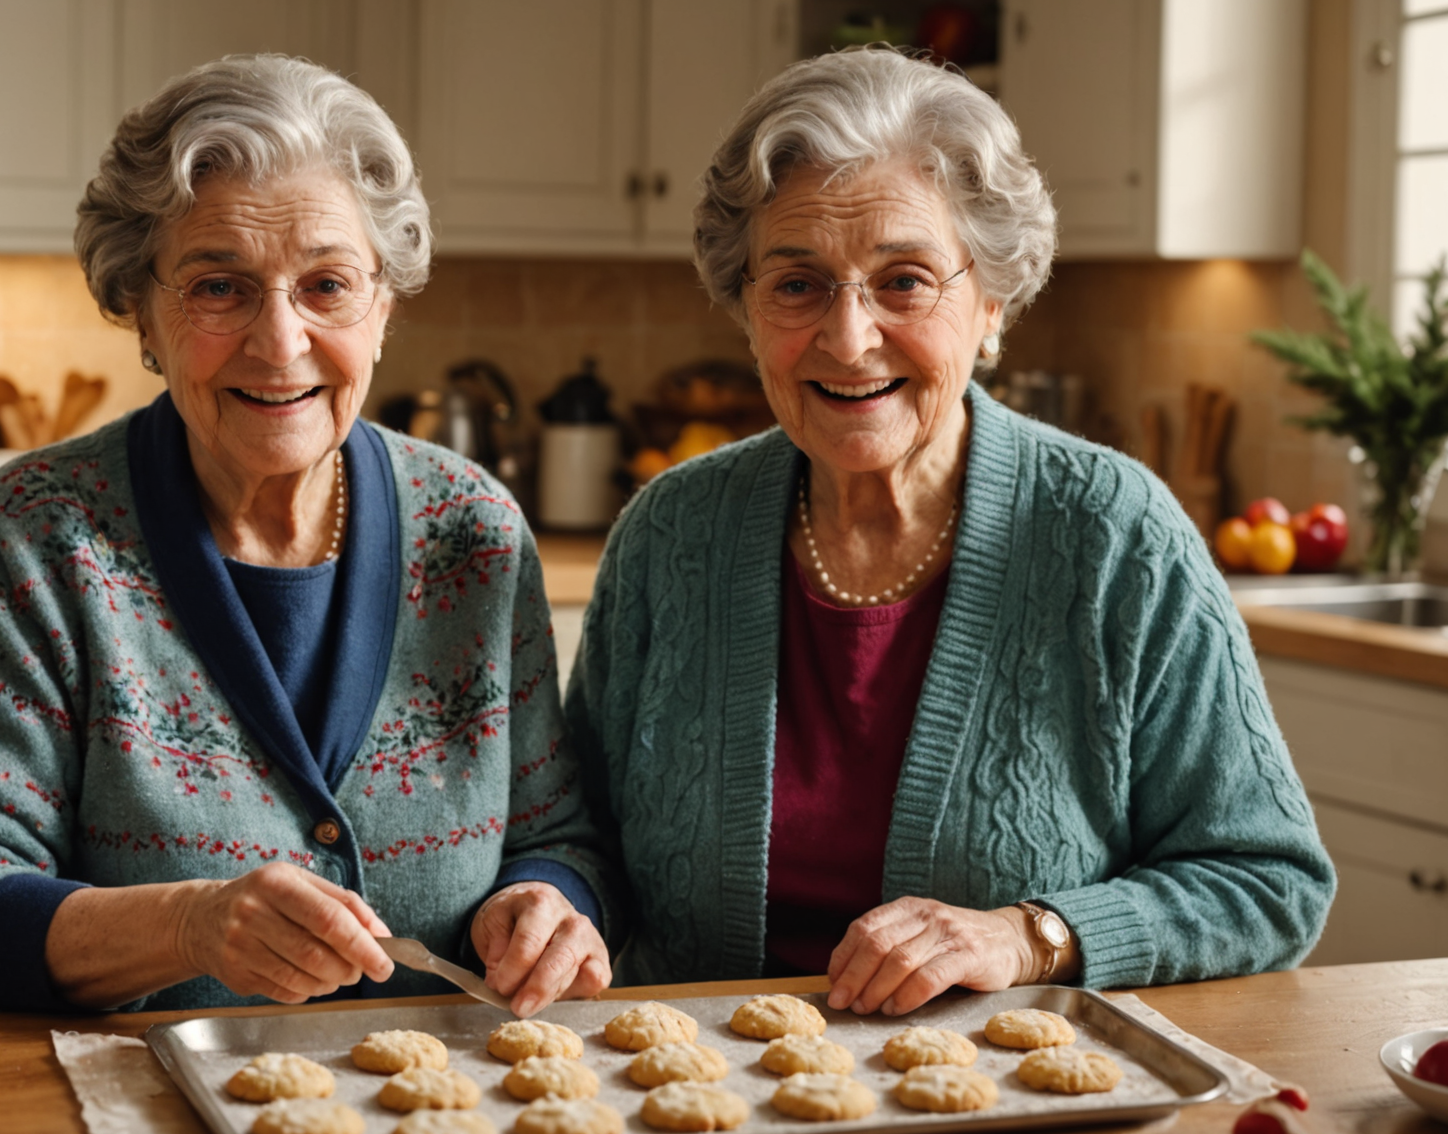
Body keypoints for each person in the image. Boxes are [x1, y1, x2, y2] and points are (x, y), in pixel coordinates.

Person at [565, 48, 1334, 1015]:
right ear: (747, 311)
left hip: (1003, 1099)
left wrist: (1032, 935)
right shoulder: (670, 533)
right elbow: (576, 838)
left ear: (993, 307)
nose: (849, 340)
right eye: (798, 285)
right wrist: (553, 898)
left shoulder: (1114, 536)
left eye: (905, 280)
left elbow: (1269, 883)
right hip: (695, 1101)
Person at [0, 55, 618, 1016]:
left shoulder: (473, 529)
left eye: (326, 285)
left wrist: (547, 901)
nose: (280, 342)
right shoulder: (41, 535)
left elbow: (557, 835)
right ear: (140, 311)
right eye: (220, 287)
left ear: (384, 306)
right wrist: (185, 927)